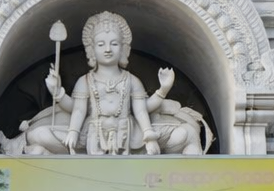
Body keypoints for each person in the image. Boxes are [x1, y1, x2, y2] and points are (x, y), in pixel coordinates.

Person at [24, 12, 202, 155]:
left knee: (186, 133)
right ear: (91, 49)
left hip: (129, 134)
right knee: (37, 135)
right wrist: (58, 94)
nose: (108, 49)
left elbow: (142, 109)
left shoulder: (131, 80)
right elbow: (77, 109)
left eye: (114, 44)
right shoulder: (85, 81)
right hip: (91, 134)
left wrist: (163, 91)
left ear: (124, 48)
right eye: (101, 44)